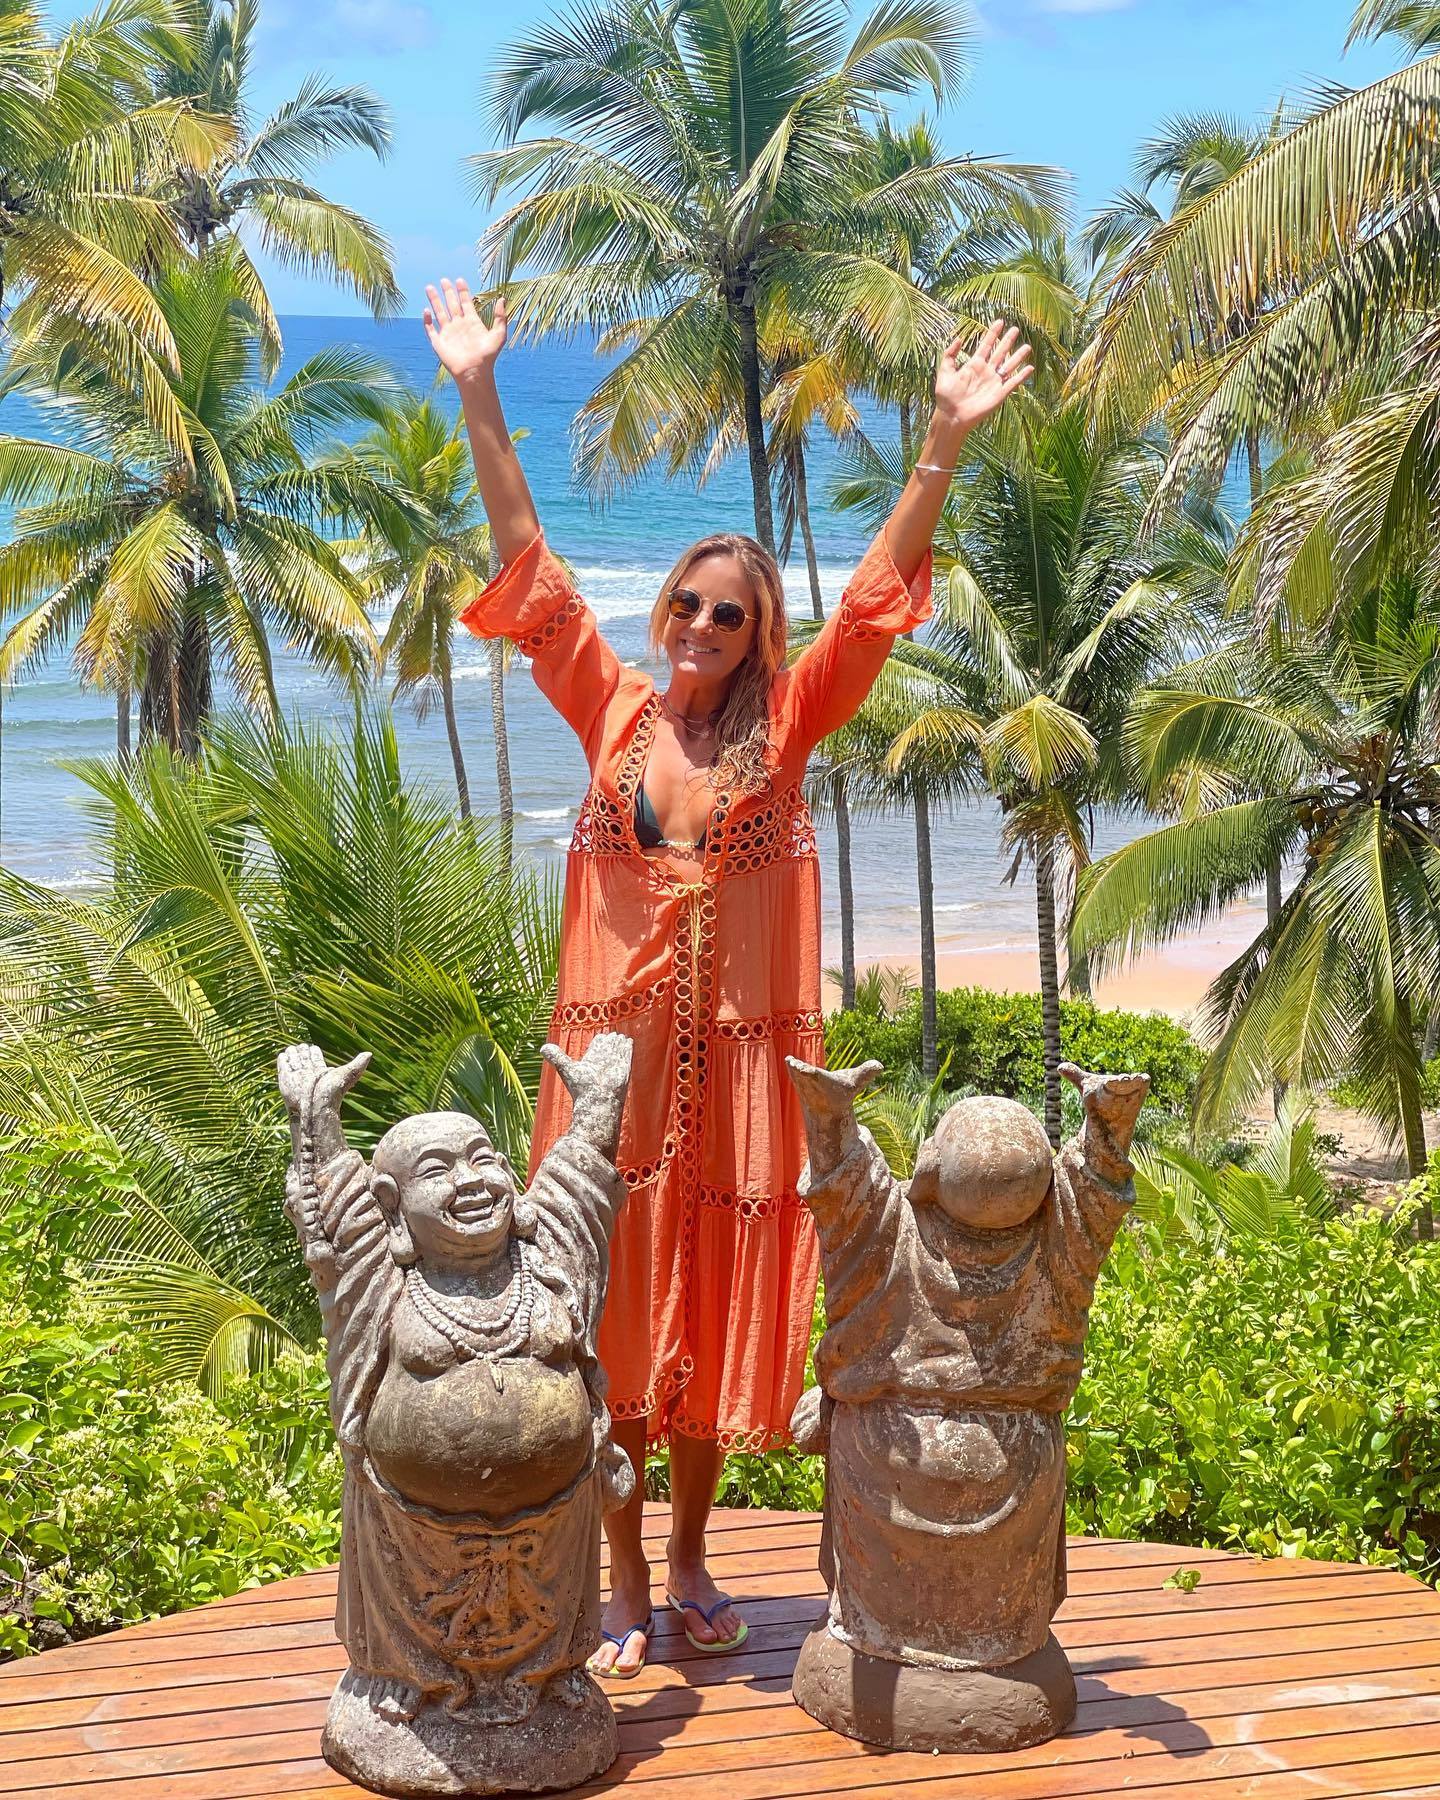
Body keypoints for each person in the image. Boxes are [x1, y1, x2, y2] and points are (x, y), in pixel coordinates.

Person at [422, 274, 1033, 1676]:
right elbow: (527, 562)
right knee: (611, 1310)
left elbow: (871, 609)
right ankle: (623, 1570)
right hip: (616, 1076)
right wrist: (478, 391)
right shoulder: (612, 711)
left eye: (731, 616)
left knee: (704, 1315)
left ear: (759, 637)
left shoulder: (788, 731)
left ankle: (693, 1552)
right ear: (664, 613)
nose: (701, 626)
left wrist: (942, 442)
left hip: (740, 1076)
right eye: (688, 605)